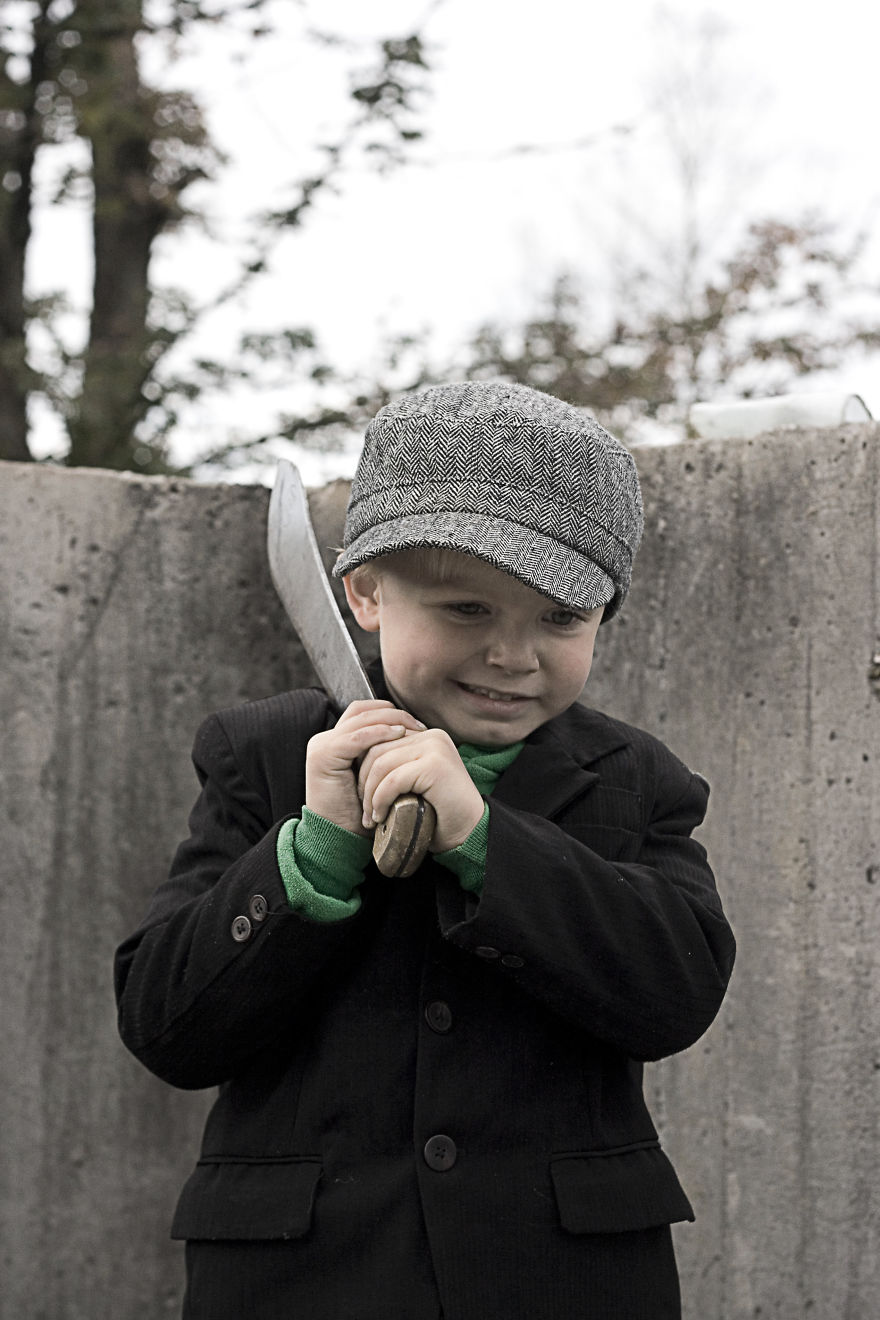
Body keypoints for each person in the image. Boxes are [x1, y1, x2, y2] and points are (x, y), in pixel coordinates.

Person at [115, 380, 735, 1320]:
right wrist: (313, 850)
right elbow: (166, 1024)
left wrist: (484, 838)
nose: (514, 655)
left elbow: (675, 993)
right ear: (363, 593)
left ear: (605, 613)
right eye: (466, 610)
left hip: (563, 1282)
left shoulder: (638, 781)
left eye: (560, 619)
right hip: (301, 1282)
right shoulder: (267, 757)